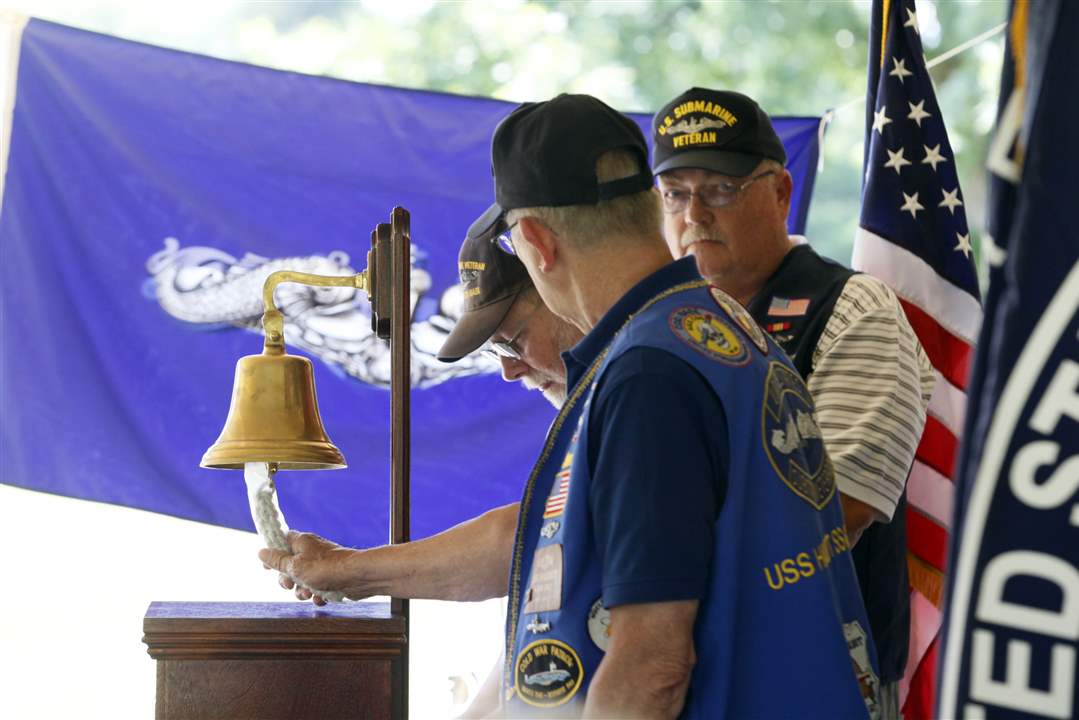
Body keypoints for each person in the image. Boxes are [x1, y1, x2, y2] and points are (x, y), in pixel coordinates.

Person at [451, 92, 878, 719]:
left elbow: (653, 666)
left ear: (538, 243)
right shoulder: (717, 325)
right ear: (653, 202)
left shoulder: (647, 371)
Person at [652, 86, 937, 718]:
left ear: (780, 192)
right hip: (683, 670)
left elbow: (839, 510)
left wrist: (657, 550)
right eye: (675, 193)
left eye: (720, 189)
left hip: (819, 676)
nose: (693, 214)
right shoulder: (657, 328)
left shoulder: (854, 309)